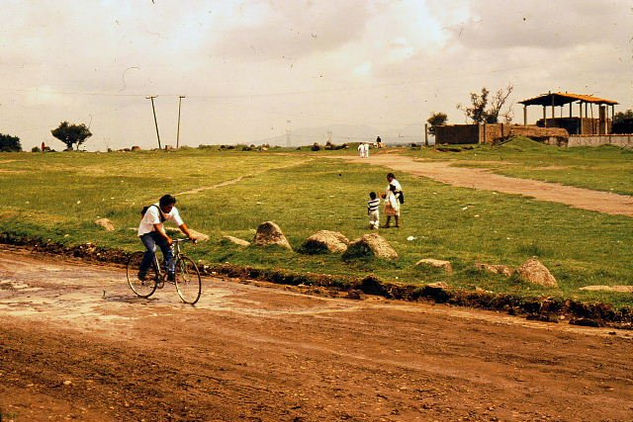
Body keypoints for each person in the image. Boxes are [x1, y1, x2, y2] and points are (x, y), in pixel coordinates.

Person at [137, 194, 193, 281]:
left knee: (168, 250)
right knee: (152, 250)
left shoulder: (173, 210)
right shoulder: (153, 210)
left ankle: (171, 274)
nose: (170, 209)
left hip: (159, 232)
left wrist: (189, 234)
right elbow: (157, 226)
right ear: (162, 205)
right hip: (146, 232)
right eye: (168, 207)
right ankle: (143, 273)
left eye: (171, 207)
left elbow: (180, 224)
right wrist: (167, 237)